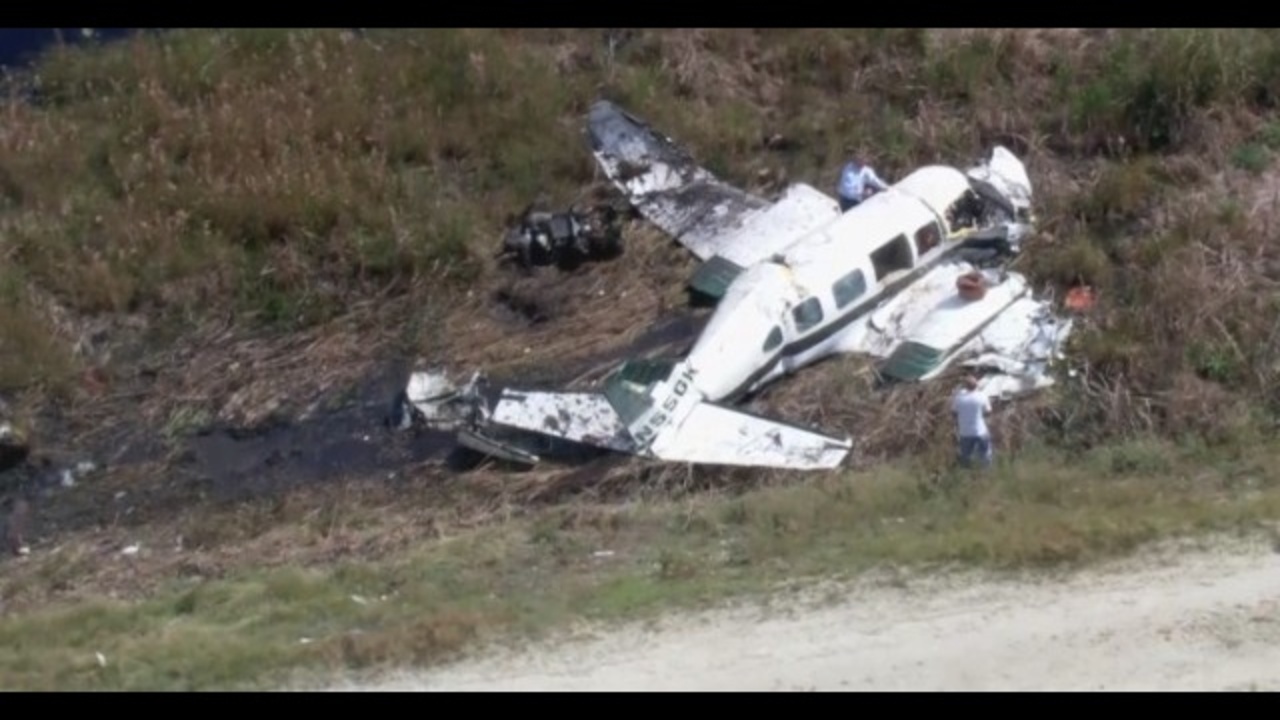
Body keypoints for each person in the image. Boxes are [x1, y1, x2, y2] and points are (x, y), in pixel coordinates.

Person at [951, 374, 993, 468]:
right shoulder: (982, 396)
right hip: (980, 431)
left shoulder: (959, 398)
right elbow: (989, 412)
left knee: (965, 455)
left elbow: (953, 413)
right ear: (976, 385)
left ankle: (965, 473)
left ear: (965, 386)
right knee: (985, 455)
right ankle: (985, 474)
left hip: (965, 432)